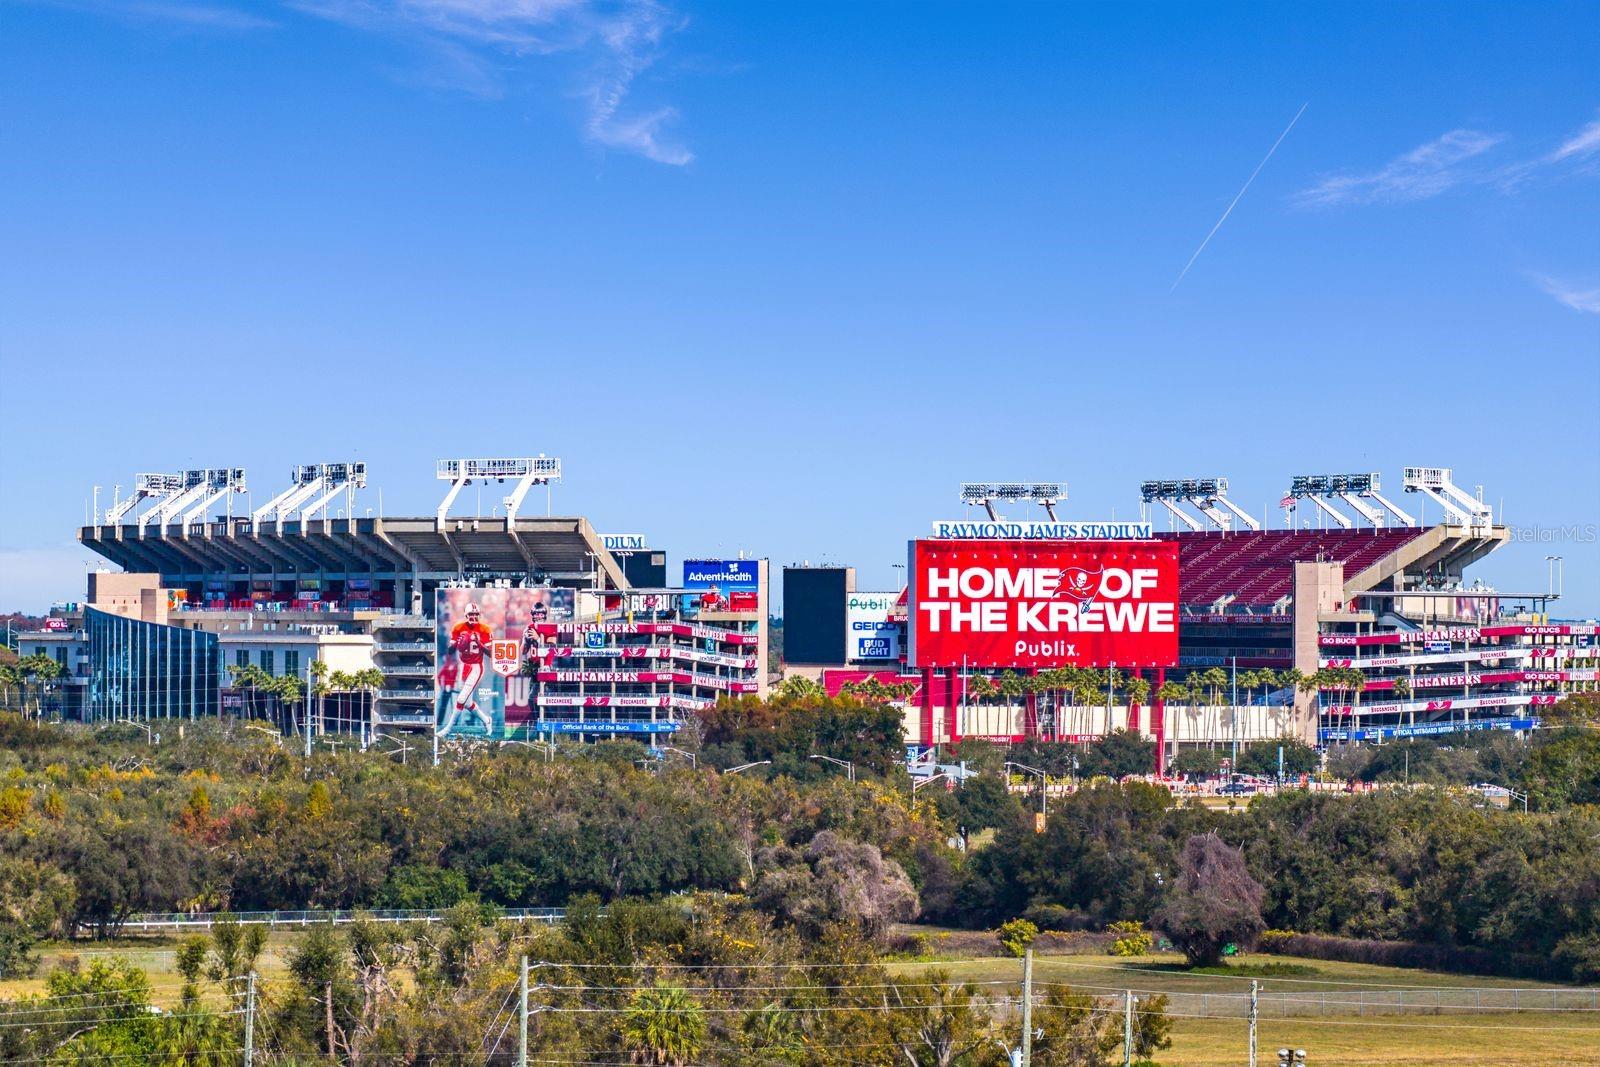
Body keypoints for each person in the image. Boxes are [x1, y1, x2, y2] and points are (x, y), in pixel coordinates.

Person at [440, 602, 494, 735]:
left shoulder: (485, 629)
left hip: (476, 667)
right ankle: (486, 720)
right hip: (463, 666)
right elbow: (450, 651)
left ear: (479, 615)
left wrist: (479, 644)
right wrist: (458, 643)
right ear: (466, 615)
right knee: (467, 702)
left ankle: (448, 729)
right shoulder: (458, 627)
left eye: (476, 614)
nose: (474, 617)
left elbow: (491, 653)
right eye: (471, 614)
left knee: (460, 699)